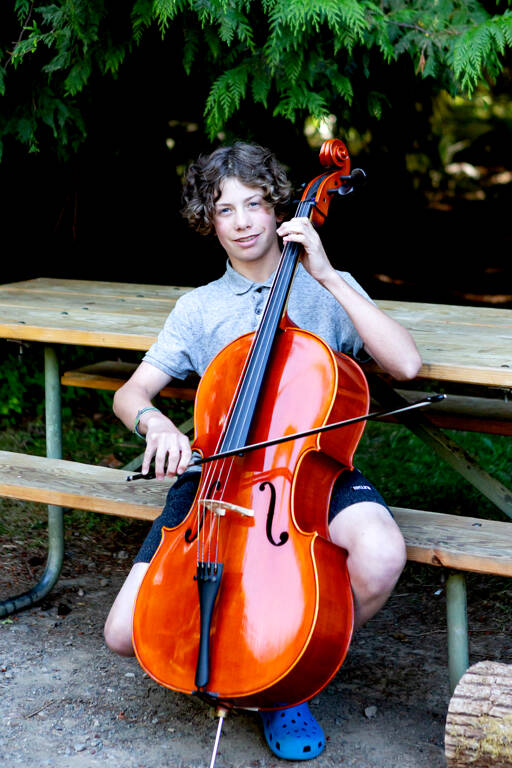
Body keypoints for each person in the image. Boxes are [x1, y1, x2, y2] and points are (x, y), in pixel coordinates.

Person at [104, 141, 422, 761]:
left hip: (308, 469)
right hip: (215, 478)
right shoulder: (198, 308)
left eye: (254, 204)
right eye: (226, 209)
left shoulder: (327, 286)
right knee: (124, 634)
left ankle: (286, 676)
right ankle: (240, 662)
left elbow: (406, 364)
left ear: (278, 207)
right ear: (209, 219)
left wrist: (327, 274)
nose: (244, 221)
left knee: (382, 553)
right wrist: (156, 425)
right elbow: (130, 393)